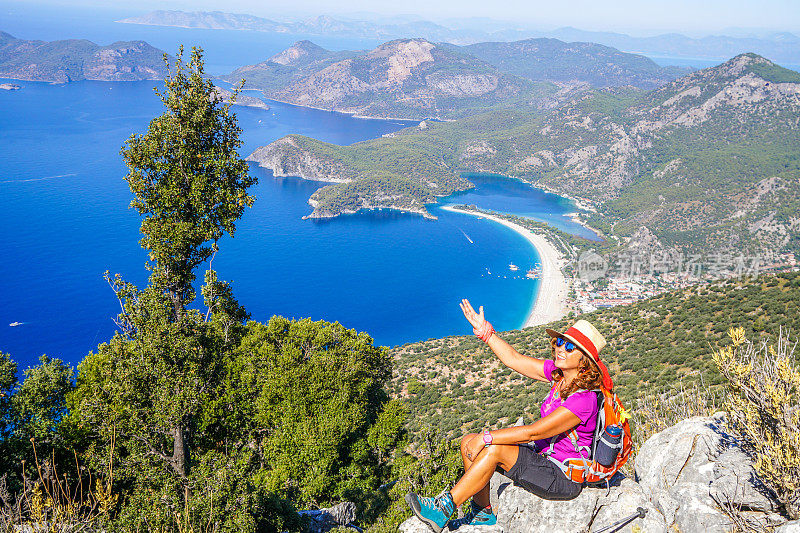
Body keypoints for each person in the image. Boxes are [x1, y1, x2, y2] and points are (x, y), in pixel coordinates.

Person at [405, 299, 615, 533]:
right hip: (543, 458)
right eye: (560, 342)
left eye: (569, 347)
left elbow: (534, 431)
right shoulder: (559, 377)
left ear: (584, 360)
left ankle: (443, 507)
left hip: (563, 476)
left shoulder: (584, 400)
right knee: (467, 441)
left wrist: (486, 438)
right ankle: (481, 512)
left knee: (493, 447)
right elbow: (514, 359)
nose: (560, 349)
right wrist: (486, 333)